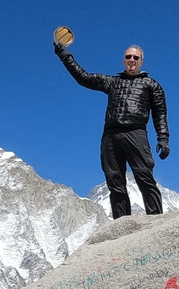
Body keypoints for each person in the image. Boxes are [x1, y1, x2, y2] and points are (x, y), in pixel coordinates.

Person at [55, 41, 170, 219]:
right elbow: (83, 77)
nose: (131, 59)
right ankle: (122, 227)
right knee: (115, 181)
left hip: (136, 133)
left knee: (144, 177)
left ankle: (155, 221)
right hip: (110, 136)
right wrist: (65, 55)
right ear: (124, 60)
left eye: (135, 57)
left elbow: (160, 113)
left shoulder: (151, 85)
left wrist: (163, 138)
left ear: (141, 62)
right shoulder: (112, 82)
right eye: (128, 57)